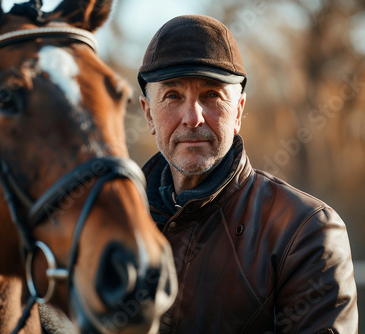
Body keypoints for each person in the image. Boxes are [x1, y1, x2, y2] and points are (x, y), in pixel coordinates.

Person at [138, 15, 358, 333]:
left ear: (238, 111)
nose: (193, 117)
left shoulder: (306, 232)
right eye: (172, 96)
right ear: (148, 114)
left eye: (211, 94)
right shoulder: (109, 223)